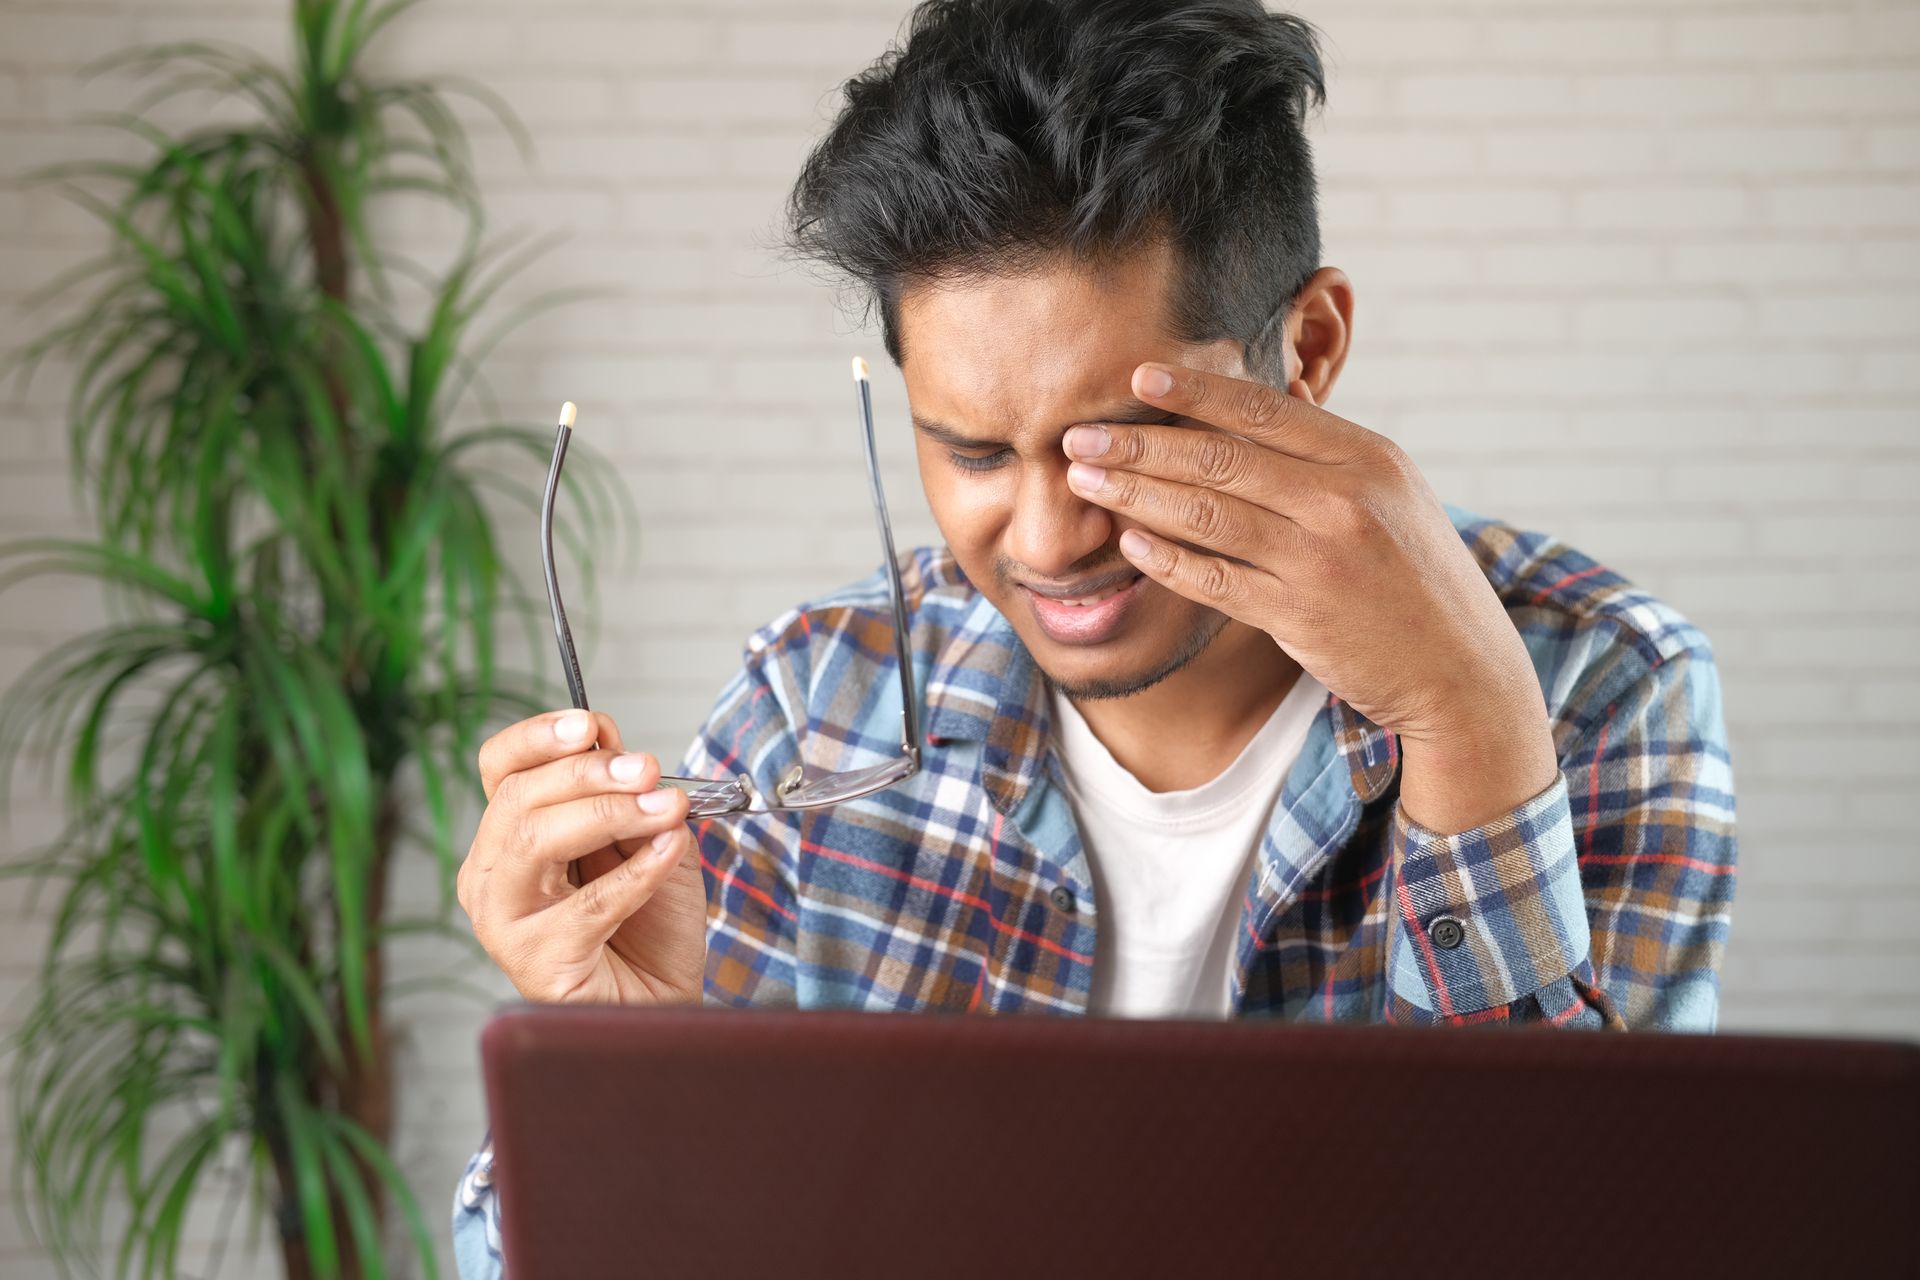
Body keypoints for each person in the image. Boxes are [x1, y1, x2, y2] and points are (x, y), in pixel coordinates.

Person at [451, 1, 1738, 1272]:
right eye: (969, 451)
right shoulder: (815, 704)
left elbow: (1595, 1231)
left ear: (1311, 345)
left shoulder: (1599, 686)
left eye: (1117, 447)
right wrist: (632, 1070)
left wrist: (1469, 728)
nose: (1051, 538)